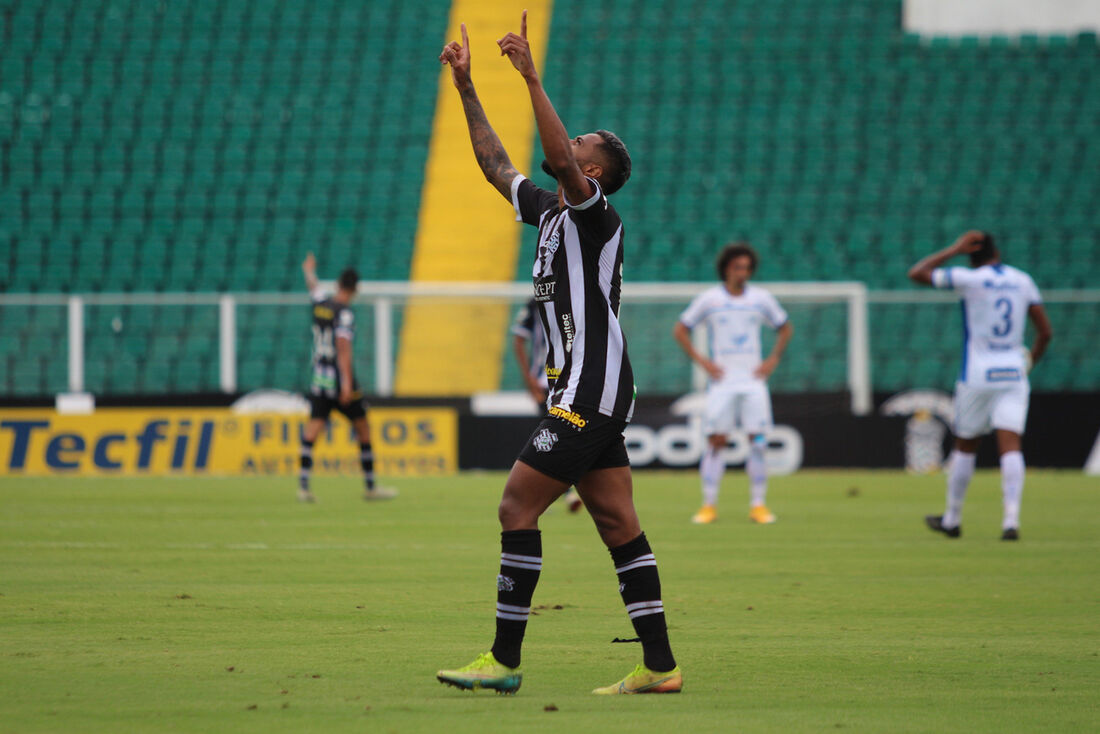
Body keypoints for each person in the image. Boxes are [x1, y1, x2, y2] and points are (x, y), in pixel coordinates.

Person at [435, 13, 681, 696]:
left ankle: (503, 660)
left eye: (579, 147)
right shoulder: (548, 214)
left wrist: (532, 79)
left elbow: (561, 160)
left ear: (594, 171)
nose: (567, 148)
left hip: (589, 390)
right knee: (616, 522)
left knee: (517, 506)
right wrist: (467, 88)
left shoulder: (596, 217)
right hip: (581, 387)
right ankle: (660, 668)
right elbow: (494, 165)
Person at [908, 231, 1052, 540]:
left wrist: (952, 250)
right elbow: (1045, 332)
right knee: (1011, 446)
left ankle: (952, 519)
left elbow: (917, 273)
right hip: (1013, 373)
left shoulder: (969, 279)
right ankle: (1011, 521)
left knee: (966, 445)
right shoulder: (1022, 280)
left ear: (970, 255)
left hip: (977, 374)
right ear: (996, 250)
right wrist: (1028, 363)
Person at [673, 244, 793, 525]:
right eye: (738, 267)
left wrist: (773, 359)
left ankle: (758, 505)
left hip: (753, 381)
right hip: (723, 382)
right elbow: (681, 329)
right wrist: (703, 362)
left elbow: (785, 327)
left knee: (759, 441)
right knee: (716, 441)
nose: (743, 273)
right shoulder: (710, 299)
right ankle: (709, 505)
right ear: (727, 268)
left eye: (747, 268)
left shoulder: (761, 299)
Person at [297, 253, 396, 503]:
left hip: (320, 378)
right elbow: (343, 349)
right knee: (362, 428)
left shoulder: (322, 303)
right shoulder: (345, 314)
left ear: (338, 285)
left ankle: (303, 486)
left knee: (313, 428)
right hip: (340, 380)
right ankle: (371, 486)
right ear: (355, 289)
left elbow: (313, 287)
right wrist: (348, 384)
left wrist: (309, 271)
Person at [511, 298, 583, 513]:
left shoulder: (575, 299)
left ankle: (564, 490)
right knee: (552, 436)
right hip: (544, 384)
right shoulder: (534, 304)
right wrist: (529, 379)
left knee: (563, 436)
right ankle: (566, 491)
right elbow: (518, 339)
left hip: (571, 381)